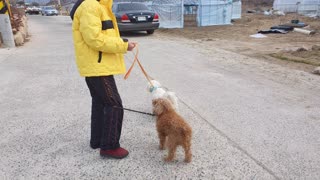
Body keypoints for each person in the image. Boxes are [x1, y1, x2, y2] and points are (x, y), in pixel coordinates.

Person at [72, 0, 136, 159]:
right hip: (97, 67)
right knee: (114, 104)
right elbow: (94, 39)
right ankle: (109, 146)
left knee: (100, 103)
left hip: (99, 66)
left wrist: (123, 42)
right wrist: (123, 45)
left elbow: (103, 35)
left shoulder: (101, 6)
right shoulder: (90, 6)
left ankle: (98, 140)